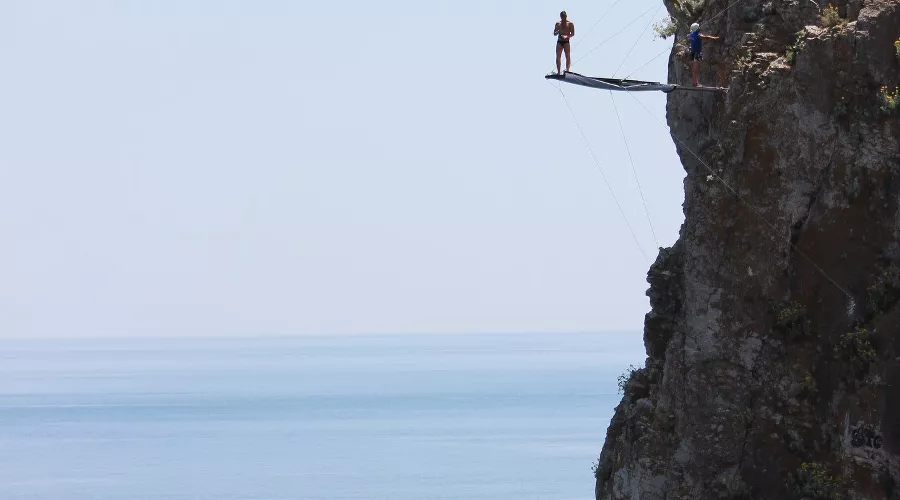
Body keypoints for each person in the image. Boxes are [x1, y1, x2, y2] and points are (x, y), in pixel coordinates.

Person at [688, 22, 720, 86]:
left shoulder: (691, 34)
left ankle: (695, 82)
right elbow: (706, 37)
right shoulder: (698, 35)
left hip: (692, 53)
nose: (700, 28)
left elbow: (691, 35)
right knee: (696, 68)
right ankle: (695, 83)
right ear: (697, 29)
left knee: (694, 69)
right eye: (698, 27)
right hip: (697, 53)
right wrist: (715, 38)